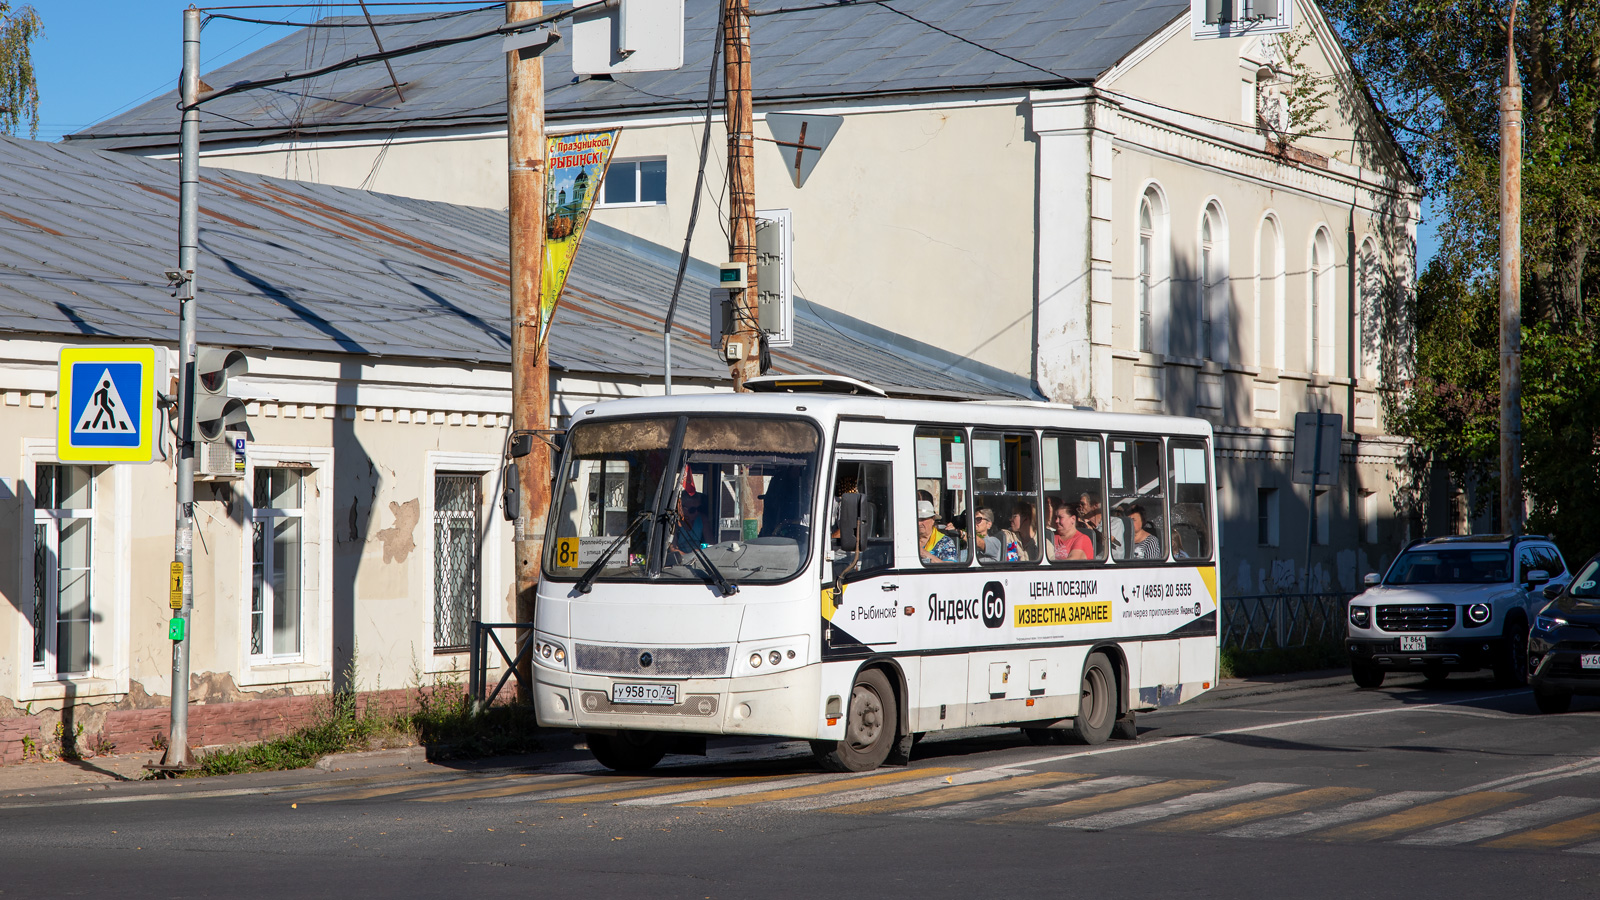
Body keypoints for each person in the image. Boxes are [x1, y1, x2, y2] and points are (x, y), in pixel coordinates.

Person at [917, 499, 960, 563]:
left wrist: (928, 555)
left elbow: (950, 568)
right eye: (917, 519)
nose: (919, 523)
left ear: (933, 519)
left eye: (923, 519)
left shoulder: (945, 542)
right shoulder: (907, 540)